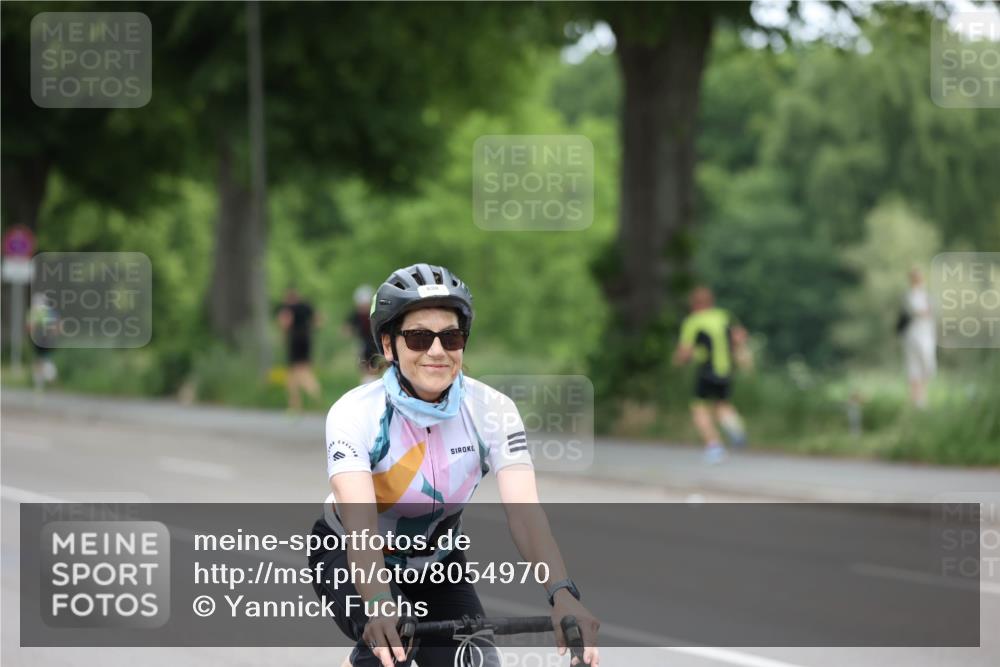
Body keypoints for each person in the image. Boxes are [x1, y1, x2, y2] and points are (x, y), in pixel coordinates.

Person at [307, 263, 600, 667]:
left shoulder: (492, 411)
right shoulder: (355, 413)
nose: (437, 351)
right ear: (389, 346)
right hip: (348, 551)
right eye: (418, 337)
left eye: (451, 337)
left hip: (437, 562)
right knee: (389, 650)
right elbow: (361, 527)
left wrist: (563, 594)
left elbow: (526, 517)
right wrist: (378, 602)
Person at [672, 286, 750, 464]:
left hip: (707, 370)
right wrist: (741, 356)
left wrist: (677, 362)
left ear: (695, 303)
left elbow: (685, 351)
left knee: (699, 408)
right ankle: (735, 428)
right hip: (727, 369)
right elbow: (740, 335)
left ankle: (715, 447)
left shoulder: (694, 321)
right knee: (722, 404)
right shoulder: (724, 315)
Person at [277, 288, 322, 411]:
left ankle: (300, 401)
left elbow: (285, 322)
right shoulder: (306, 306)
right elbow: (318, 320)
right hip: (306, 338)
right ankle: (299, 402)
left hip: (295, 339)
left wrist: (283, 335)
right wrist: (310, 328)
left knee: (296, 371)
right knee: (301, 370)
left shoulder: (288, 308)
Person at [901, 268, 936, 409]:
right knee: (914, 367)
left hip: (926, 334)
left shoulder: (926, 295)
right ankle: (916, 400)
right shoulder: (910, 296)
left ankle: (921, 398)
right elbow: (919, 311)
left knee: (926, 366)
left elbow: (930, 313)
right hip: (913, 335)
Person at [345, 284, 379, 384]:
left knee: (371, 366)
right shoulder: (356, 314)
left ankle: (370, 382)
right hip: (363, 343)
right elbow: (347, 328)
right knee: (364, 366)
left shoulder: (373, 313)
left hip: (372, 343)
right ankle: (367, 382)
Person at [27, 293, 59, 392]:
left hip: (40, 339)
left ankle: (41, 382)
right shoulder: (49, 311)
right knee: (44, 359)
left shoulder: (34, 312)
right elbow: (57, 325)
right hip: (45, 339)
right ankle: (47, 380)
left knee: (41, 360)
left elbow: (30, 327)